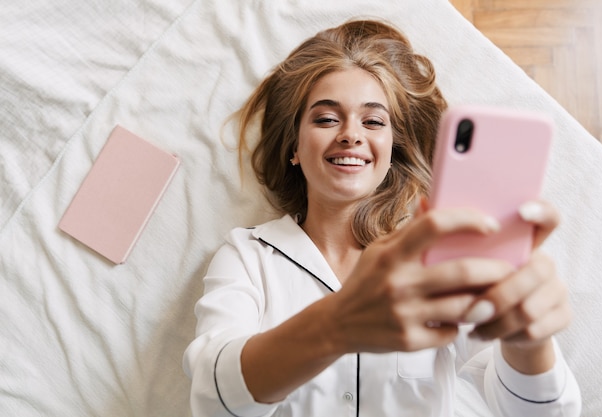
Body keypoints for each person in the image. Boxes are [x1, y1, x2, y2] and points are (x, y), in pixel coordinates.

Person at [183, 19, 581, 417]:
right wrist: (337, 324)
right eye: (325, 119)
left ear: (392, 152)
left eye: (373, 121)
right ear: (294, 149)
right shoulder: (248, 255)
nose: (350, 135)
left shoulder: (440, 262)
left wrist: (528, 341)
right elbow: (212, 398)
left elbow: (542, 412)